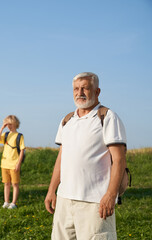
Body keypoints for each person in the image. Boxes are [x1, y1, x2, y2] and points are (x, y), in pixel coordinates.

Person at [44, 72, 127, 239]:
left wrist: (111, 195)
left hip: (95, 202)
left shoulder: (107, 117)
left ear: (97, 91)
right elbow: (62, 158)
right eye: (76, 89)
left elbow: (119, 160)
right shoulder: (67, 120)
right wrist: (52, 190)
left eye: (85, 88)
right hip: (65, 200)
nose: (79, 93)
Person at [0, 115, 25, 209]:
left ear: (15, 124)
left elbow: (22, 151)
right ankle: (6, 202)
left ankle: (13, 203)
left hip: (14, 164)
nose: (9, 126)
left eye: (10, 124)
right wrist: (2, 128)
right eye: (7, 124)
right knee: (6, 184)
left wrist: (18, 164)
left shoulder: (19, 136)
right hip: (4, 164)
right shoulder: (6, 134)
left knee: (15, 184)